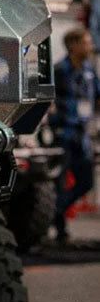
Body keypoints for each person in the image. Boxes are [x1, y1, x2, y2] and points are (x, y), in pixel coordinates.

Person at [49, 26, 100, 242]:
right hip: (64, 134)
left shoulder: (89, 71)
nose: (91, 46)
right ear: (73, 45)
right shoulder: (60, 70)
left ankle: (55, 212)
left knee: (86, 181)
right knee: (59, 182)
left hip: (83, 136)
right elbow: (49, 100)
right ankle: (60, 231)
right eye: (86, 42)